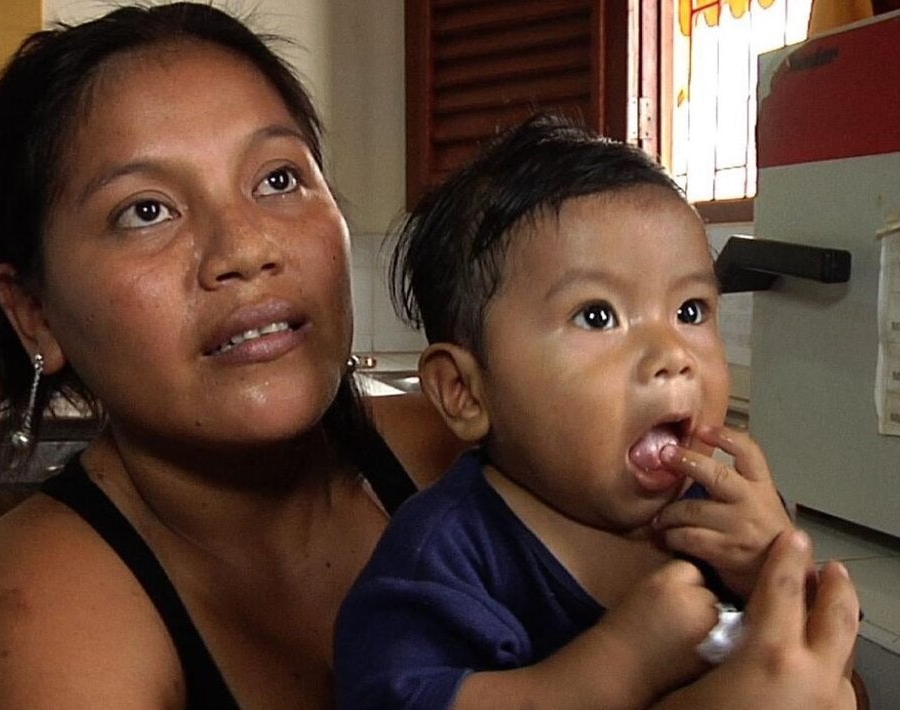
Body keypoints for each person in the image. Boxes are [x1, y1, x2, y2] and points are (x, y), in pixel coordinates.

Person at [0, 4, 859, 708]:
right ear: (33, 310)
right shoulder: (36, 609)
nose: (247, 247)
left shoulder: (518, 454)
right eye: (145, 210)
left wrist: (772, 570)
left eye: (280, 177)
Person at [335, 115, 848, 709]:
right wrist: (619, 664)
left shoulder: (722, 520)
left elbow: (822, 673)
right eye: (598, 316)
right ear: (465, 392)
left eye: (690, 310)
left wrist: (773, 572)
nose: (671, 355)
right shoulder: (443, 560)